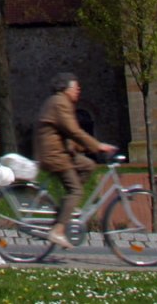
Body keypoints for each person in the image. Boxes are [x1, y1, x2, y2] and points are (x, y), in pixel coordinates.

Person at [35, 71, 118, 249]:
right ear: (65, 88)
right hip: (54, 155)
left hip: (63, 152)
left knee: (88, 165)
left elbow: (70, 136)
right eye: (76, 87)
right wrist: (98, 146)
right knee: (76, 191)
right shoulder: (59, 103)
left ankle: (67, 208)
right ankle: (57, 229)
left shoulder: (62, 102)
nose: (79, 90)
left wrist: (89, 147)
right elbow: (73, 131)